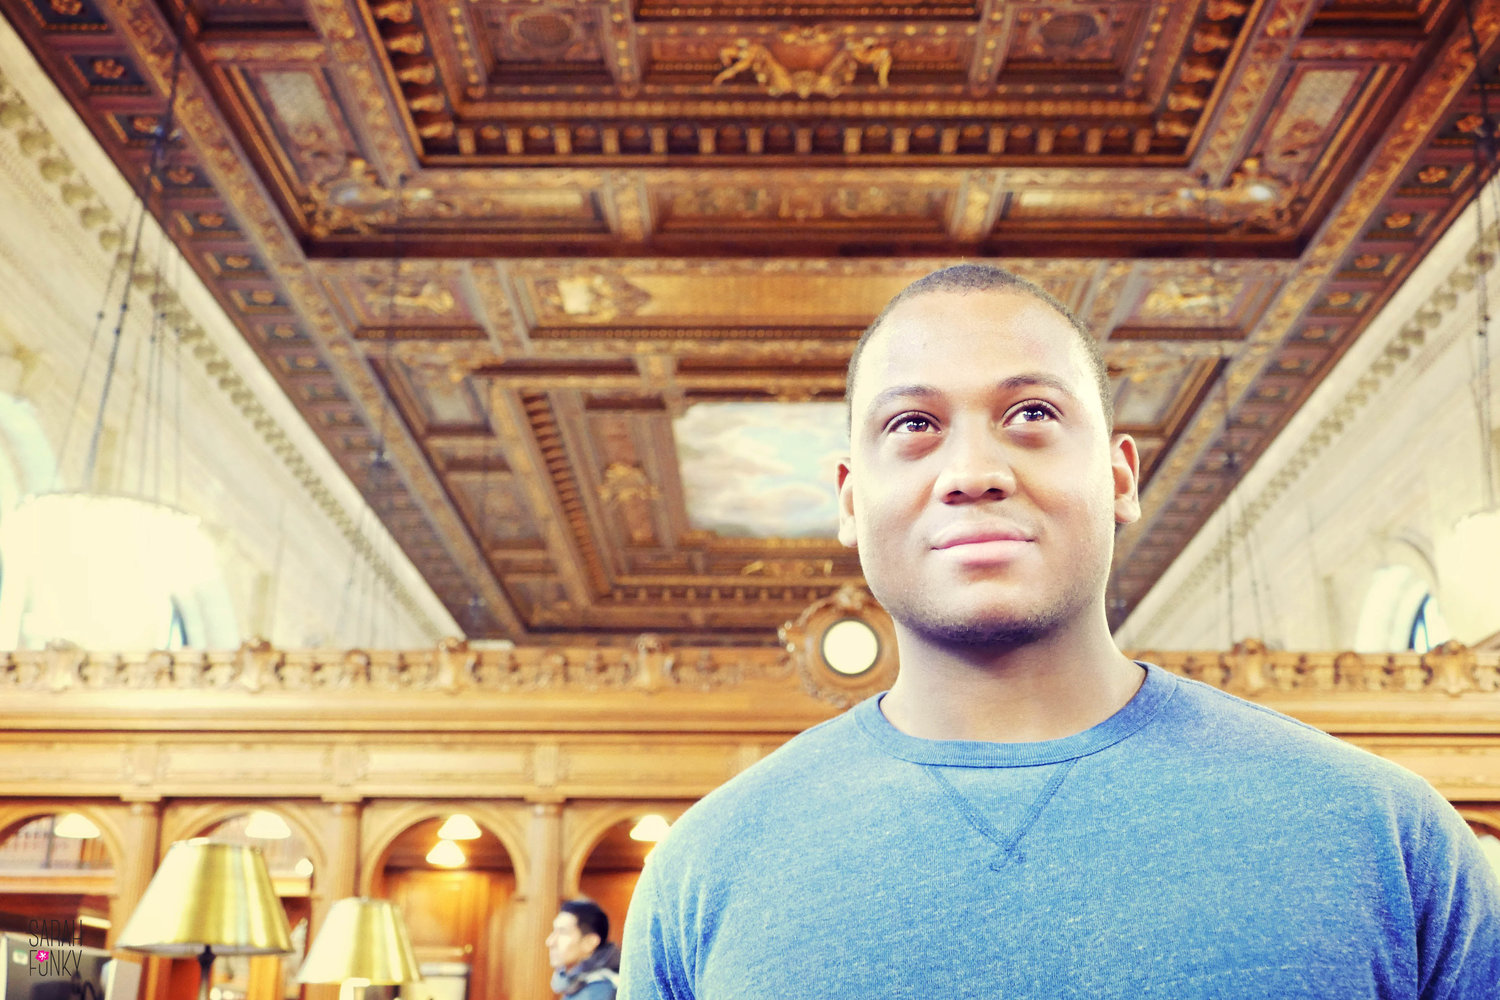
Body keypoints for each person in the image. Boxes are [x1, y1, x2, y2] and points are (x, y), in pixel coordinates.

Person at [618, 263, 1500, 998]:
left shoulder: (1387, 837)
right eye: (913, 425)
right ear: (851, 500)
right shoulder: (702, 873)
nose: (972, 470)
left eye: (1032, 414)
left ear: (1119, 476)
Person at [547, 899, 620, 999]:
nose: (550, 942)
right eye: (554, 931)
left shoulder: (599, 991)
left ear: (590, 942)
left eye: (563, 932)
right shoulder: (577, 984)